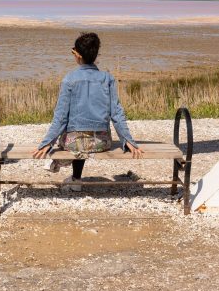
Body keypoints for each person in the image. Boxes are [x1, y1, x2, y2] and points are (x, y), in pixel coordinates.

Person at [33, 32, 142, 191]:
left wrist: (47, 143)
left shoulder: (69, 79)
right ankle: (75, 178)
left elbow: (61, 117)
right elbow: (117, 114)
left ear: (77, 55)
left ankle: (59, 164)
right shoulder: (108, 79)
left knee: (69, 140)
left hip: (74, 143)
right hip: (101, 143)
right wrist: (129, 141)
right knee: (80, 140)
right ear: (96, 55)